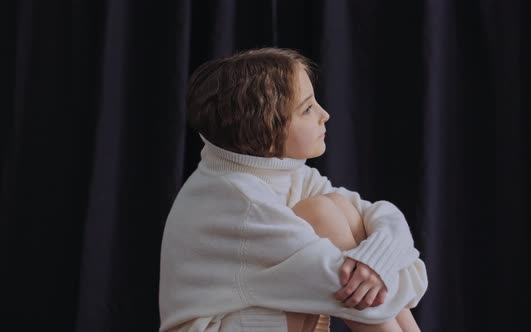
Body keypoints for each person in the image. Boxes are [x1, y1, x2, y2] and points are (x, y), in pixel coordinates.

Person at [159, 48, 428, 332]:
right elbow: (360, 298)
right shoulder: (241, 200)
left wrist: (378, 261)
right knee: (331, 230)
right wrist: (390, 267)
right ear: (266, 131)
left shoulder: (283, 174)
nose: (325, 115)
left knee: (338, 209)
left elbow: (381, 214)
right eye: (307, 109)